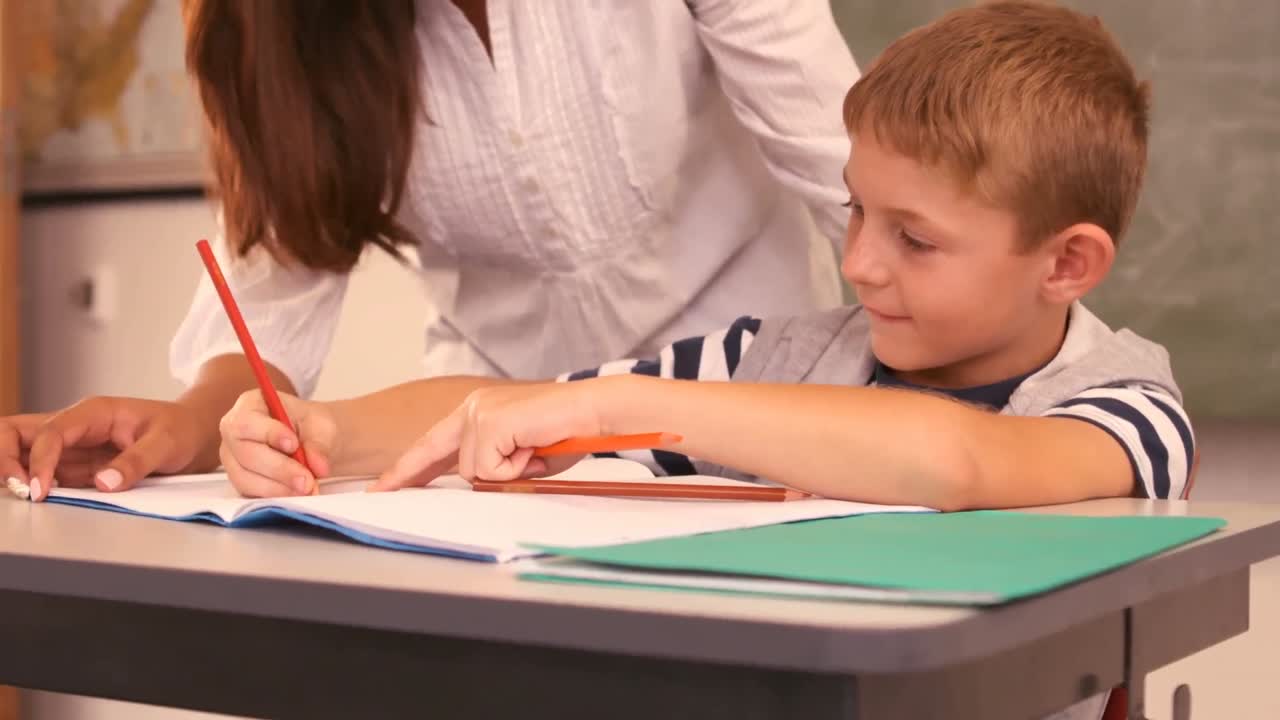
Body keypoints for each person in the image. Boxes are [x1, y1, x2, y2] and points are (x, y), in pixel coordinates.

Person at [213, 0, 1196, 511]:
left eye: (913, 239)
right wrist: (321, 428)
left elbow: (951, 460)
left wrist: (621, 405)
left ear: (1064, 264)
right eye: (853, 213)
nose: (856, 263)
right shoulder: (773, 360)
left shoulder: (1124, 404)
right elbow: (500, 403)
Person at [4, 1, 858, 501]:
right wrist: (190, 426)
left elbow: (856, 186)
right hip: (492, 475)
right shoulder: (285, 30)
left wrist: (950, 414)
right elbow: (266, 316)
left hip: (758, 427)